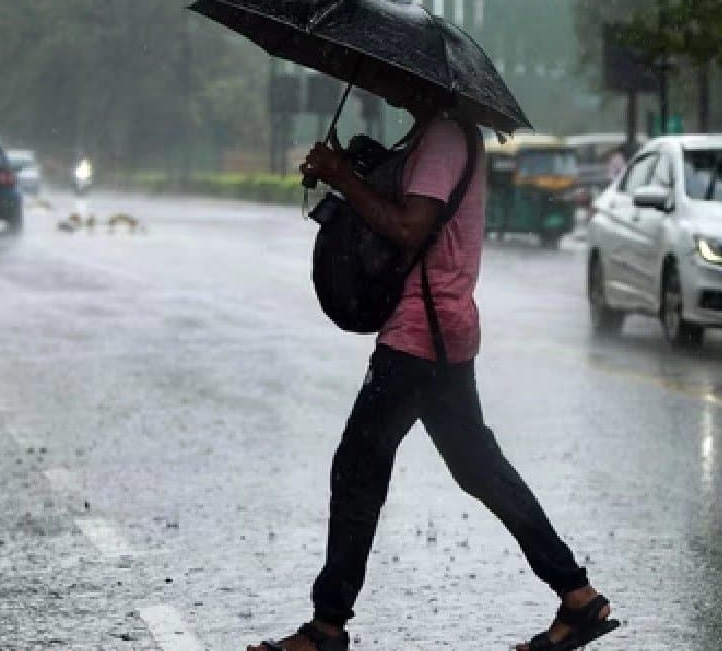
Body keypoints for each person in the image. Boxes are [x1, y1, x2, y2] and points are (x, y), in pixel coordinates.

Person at [249, 77, 616, 651]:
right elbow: (402, 208)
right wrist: (349, 170)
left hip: (422, 331)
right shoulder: (435, 135)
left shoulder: (444, 137)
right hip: (440, 331)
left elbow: (408, 226)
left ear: (427, 78)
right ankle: (578, 596)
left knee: (358, 467)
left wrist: (344, 178)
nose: (394, 86)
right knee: (477, 468)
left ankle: (327, 627)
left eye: (400, 77)